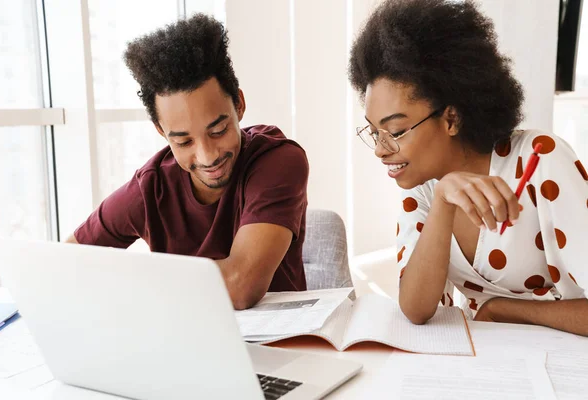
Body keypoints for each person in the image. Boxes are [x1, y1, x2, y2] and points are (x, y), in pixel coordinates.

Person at [348, 0, 588, 335]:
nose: (379, 150)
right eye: (375, 132)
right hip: (487, 367)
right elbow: (415, 310)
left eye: (396, 132)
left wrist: (502, 309)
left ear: (451, 118)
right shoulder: (423, 187)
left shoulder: (540, 160)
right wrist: (443, 202)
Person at [67, 14, 309, 310]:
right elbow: (67, 262)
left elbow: (241, 286)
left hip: (278, 347)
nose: (208, 156)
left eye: (218, 131)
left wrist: (130, 276)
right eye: (184, 141)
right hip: (183, 345)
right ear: (161, 132)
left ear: (239, 105)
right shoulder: (150, 187)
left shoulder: (278, 161)